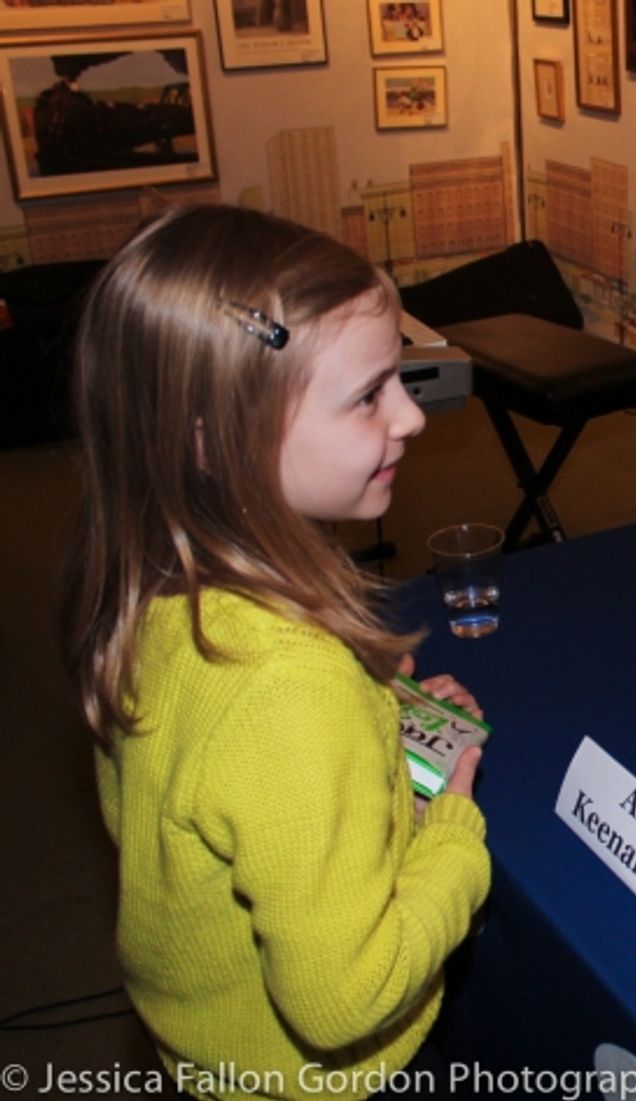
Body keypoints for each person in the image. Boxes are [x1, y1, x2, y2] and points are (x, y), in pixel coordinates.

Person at [60, 205, 490, 1098]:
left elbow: (212, 776)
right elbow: (346, 999)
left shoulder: (156, 588)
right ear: (217, 439)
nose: (409, 415)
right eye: (369, 394)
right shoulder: (287, 686)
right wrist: (453, 838)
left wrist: (378, 718)